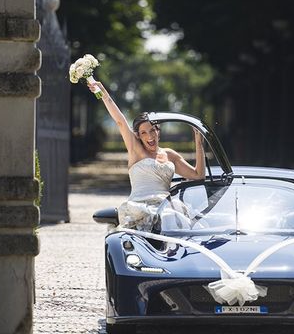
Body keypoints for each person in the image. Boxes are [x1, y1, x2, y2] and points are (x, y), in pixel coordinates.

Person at [88, 79, 206, 231]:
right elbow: (120, 121)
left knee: (174, 220)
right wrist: (102, 92)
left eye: (152, 130)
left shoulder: (170, 154)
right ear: (138, 136)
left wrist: (199, 142)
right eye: (144, 133)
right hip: (139, 209)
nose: (149, 136)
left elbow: (198, 175)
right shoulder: (136, 150)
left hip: (167, 209)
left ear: (158, 131)